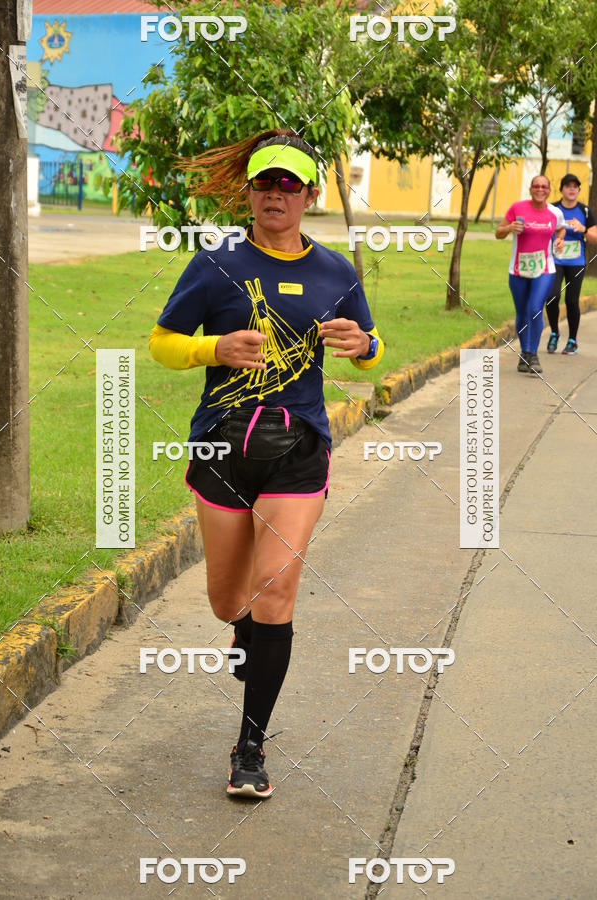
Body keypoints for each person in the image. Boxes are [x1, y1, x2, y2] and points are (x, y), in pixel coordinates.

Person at [149, 129, 384, 799]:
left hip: (299, 449)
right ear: (248, 190)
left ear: (311, 193)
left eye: (289, 183)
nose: (275, 194)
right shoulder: (216, 262)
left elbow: (369, 347)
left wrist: (364, 343)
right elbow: (163, 343)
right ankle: (245, 631)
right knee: (231, 601)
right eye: (264, 182)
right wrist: (214, 349)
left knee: (276, 591)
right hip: (223, 446)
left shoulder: (336, 272)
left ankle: (250, 747)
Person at [495, 174, 565, 374]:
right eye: (536, 186)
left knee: (535, 308)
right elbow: (498, 233)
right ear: (531, 189)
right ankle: (524, 354)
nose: (540, 189)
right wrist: (509, 228)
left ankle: (533, 354)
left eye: (544, 186)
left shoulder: (555, 212)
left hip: (544, 268)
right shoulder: (517, 208)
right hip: (518, 269)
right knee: (522, 312)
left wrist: (559, 240)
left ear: (549, 190)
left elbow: (561, 230)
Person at [545, 173, 597, 355]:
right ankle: (554, 332)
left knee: (572, 300)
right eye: (568, 186)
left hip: (576, 262)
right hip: (555, 260)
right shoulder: (552, 209)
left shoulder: (585, 212)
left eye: (575, 186)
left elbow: (595, 237)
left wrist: (583, 230)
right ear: (561, 190)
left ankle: (572, 340)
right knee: (551, 297)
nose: (572, 189)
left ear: (579, 190)